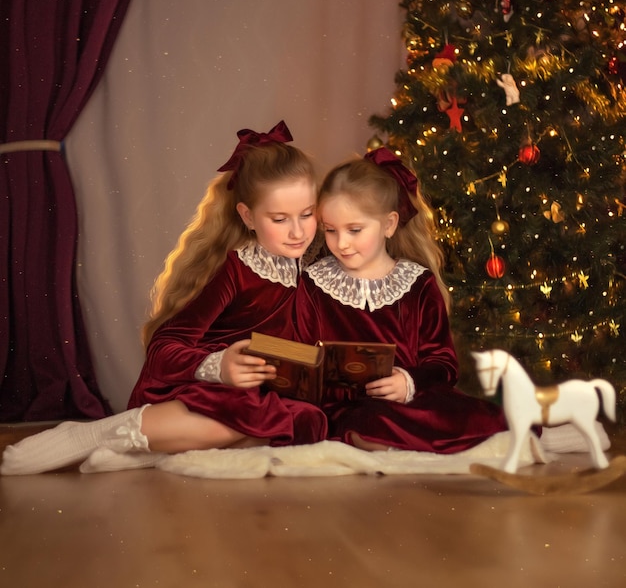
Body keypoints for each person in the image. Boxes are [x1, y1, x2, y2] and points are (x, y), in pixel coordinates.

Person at [1, 120, 328, 475]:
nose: (298, 231)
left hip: (265, 393)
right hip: (203, 389)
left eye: (307, 214)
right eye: (280, 219)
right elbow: (164, 349)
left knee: (307, 419)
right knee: (251, 411)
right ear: (247, 216)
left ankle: (149, 453)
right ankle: (96, 434)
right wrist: (220, 367)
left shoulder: (310, 266)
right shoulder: (232, 269)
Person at [295, 147, 511, 453]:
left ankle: (451, 441)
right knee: (367, 423)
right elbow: (297, 352)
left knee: (469, 416)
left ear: (389, 224)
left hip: (412, 399)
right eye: (330, 230)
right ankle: (405, 447)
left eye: (354, 230)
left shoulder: (417, 284)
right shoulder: (313, 283)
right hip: (346, 408)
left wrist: (407, 381)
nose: (341, 243)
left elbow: (444, 363)